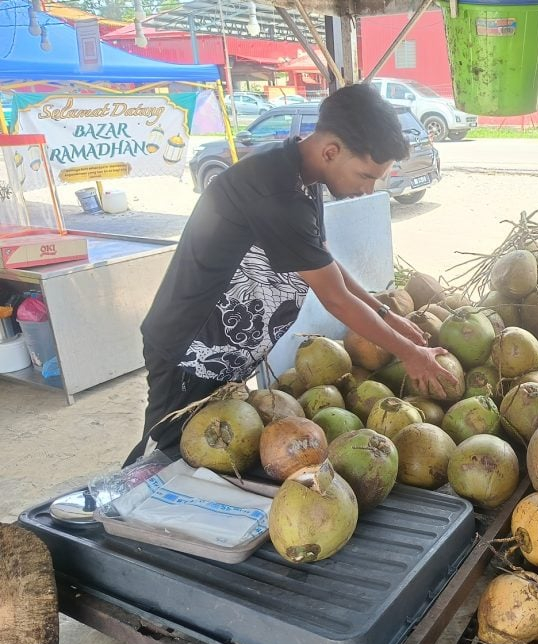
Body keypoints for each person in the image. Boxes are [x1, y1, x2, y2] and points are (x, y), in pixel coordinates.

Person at [126, 84, 456, 464]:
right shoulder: (276, 191)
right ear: (331, 150)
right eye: (365, 175)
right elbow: (334, 298)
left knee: (211, 461)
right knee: (164, 461)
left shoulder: (302, 174)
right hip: (191, 355)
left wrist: (386, 313)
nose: (368, 189)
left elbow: (323, 260)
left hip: (224, 356)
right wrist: (410, 353)